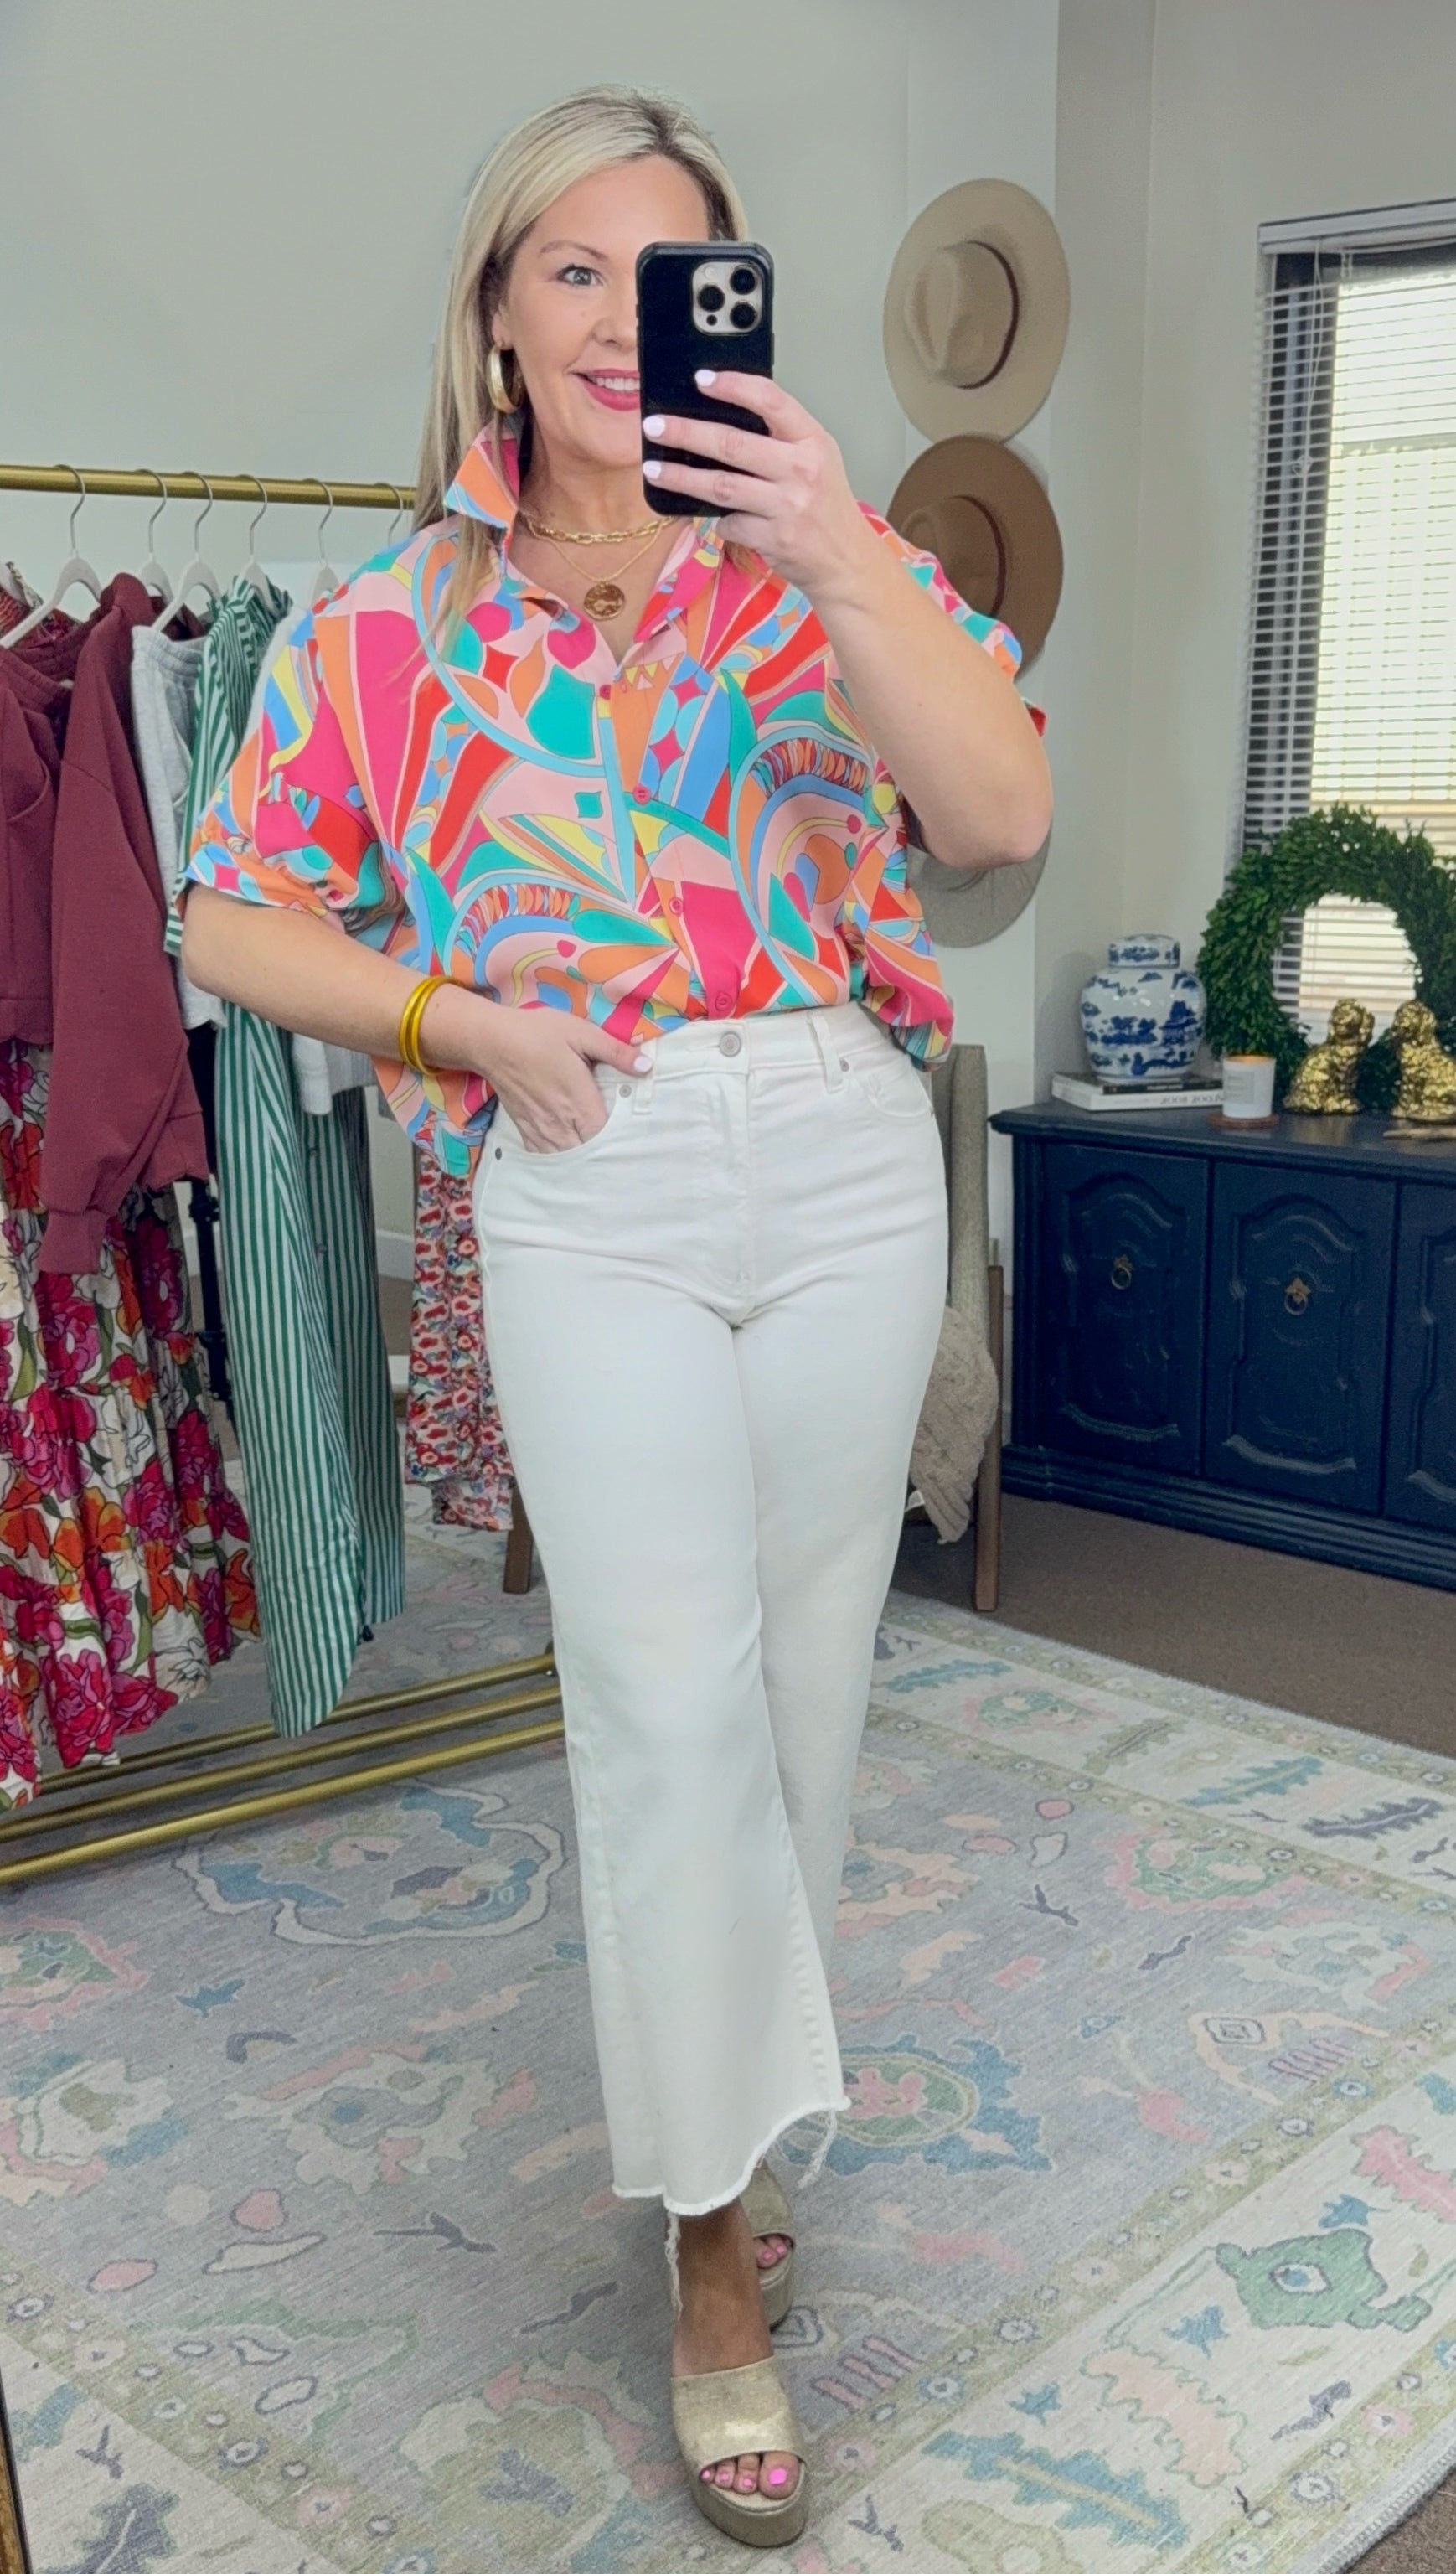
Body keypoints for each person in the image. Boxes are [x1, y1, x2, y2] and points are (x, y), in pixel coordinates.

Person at [181, 83, 1051, 2551]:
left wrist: (837, 541)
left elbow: (995, 823)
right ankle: (704, 2260)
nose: (617, 317)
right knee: (661, 1708)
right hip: (590, 1163)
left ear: (723, 314)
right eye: (573, 267)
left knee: (799, 1703)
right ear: (495, 308)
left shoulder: (826, 563)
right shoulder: (389, 624)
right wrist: (459, 1022)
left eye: (669, 274)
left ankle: (731, 2142)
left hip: (845, 1141)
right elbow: (225, 914)